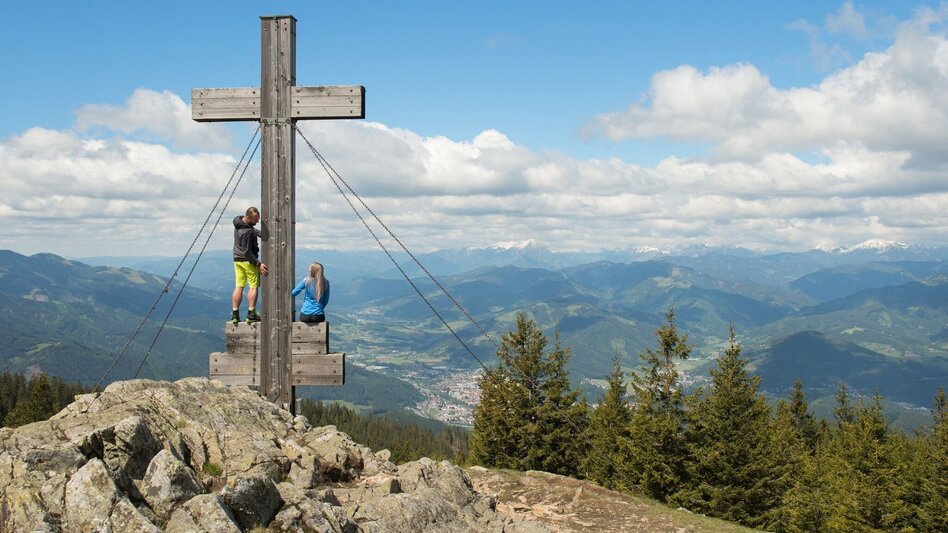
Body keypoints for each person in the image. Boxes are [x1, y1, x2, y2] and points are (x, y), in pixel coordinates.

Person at [232, 207, 268, 323]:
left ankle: (235, 314)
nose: (257, 222)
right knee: (253, 286)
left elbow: (252, 229)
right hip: (248, 261)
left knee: (239, 286)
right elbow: (247, 252)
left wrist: (261, 234)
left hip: (237, 260)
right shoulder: (246, 232)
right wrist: (258, 264)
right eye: (255, 220)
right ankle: (251, 313)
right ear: (248, 217)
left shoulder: (239, 223)